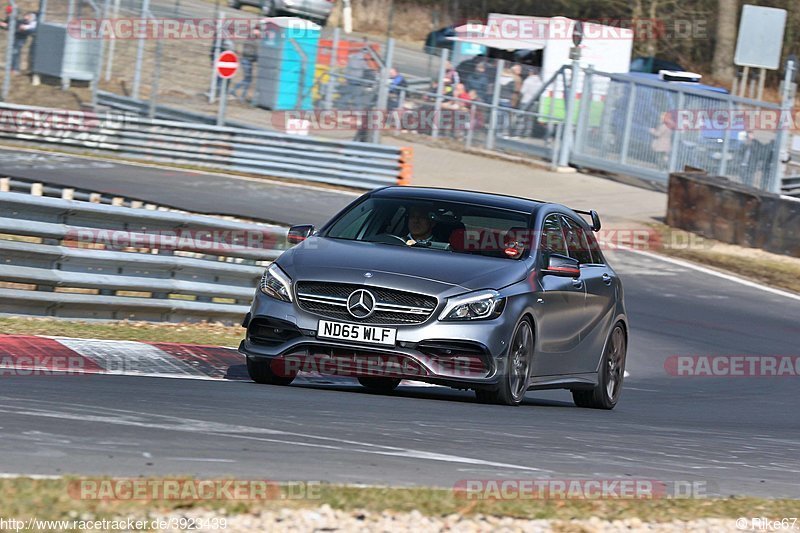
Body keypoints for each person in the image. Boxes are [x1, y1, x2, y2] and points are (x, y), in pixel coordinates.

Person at [231, 27, 260, 103]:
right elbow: (248, 52)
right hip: (246, 61)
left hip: (248, 61)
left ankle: (241, 94)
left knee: (248, 80)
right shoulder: (251, 40)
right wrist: (256, 57)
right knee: (247, 80)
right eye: (258, 31)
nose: (259, 33)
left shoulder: (254, 40)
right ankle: (237, 92)